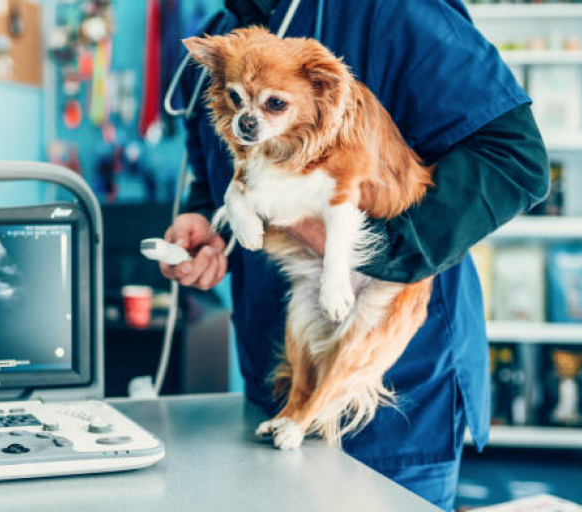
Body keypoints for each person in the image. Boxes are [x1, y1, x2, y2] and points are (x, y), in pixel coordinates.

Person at [159, 1, 549, 509]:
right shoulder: (222, 34)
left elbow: (514, 158)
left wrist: (376, 249)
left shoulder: (397, 11)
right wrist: (208, 218)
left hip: (396, 396)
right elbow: (216, 152)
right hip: (272, 378)